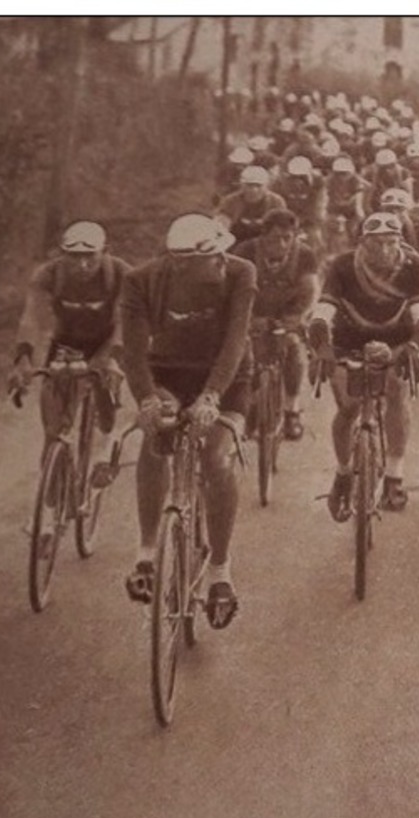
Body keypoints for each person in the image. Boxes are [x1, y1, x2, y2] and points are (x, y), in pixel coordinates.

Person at [119, 213, 256, 629]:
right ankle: (146, 553)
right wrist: (146, 400)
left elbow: (235, 341)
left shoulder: (240, 273)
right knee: (154, 438)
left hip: (225, 375)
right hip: (168, 373)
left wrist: (212, 396)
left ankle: (220, 571)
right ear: (181, 263)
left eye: (222, 253)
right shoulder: (141, 281)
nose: (222, 262)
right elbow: (133, 351)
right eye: (213, 257)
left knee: (216, 458)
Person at [306, 211, 419, 516]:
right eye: (376, 244)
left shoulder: (415, 265)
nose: (385, 251)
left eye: (391, 243)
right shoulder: (342, 266)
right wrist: (322, 347)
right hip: (348, 340)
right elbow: (322, 312)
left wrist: (414, 347)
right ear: (362, 243)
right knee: (348, 408)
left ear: (401, 242)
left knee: (396, 394)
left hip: (397, 341)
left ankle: (394, 475)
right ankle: (343, 472)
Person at [8, 220, 131, 446]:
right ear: (62, 254)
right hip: (66, 341)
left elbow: (127, 321)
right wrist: (23, 358)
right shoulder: (48, 273)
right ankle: (54, 469)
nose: (82, 264)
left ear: (105, 252)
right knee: (52, 430)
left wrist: (113, 358)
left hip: (108, 341)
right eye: (73, 256)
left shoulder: (122, 273)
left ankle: (103, 439)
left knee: (106, 417)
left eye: (90, 256)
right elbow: (31, 317)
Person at [231, 209, 319, 441]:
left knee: (292, 347)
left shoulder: (305, 255)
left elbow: (310, 292)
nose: (281, 244)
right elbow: (231, 291)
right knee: (245, 352)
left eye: (287, 238)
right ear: (262, 238)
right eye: (273, 239)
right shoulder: (245, 252)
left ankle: (292, 410)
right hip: (253, 310)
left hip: (288, 312)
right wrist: (246, 320)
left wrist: (298, 318)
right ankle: (246, 406)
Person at [216, 164, 288, 247]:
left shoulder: (276, 202)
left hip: (266, 244)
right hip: (235, 242)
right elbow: (220, 228)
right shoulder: (230, 201)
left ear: (266, 186)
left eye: (258, 186)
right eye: (249, 185)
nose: (254, 190)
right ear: (241, 185)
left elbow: (283, 229)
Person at [276, 155, 327, 252]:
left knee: (315, 237)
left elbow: (319, 206)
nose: (298, 181)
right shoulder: (280, 183)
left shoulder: (318, 183)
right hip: (288, 218)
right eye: (294, 177)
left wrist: (309, 222)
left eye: (302, 177)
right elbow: (279, 205)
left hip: (309, 218)